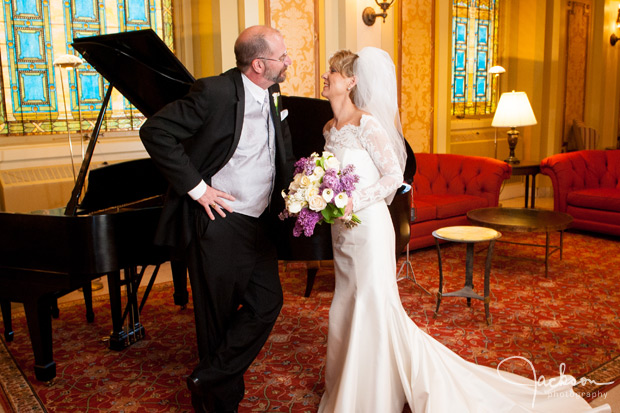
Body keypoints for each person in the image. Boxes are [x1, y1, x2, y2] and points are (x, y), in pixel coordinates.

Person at [317, 47, 611, 413]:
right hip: (343, 232)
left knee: (371, 305)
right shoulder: (330, 128)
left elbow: (393, 177)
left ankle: (371, 393)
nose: (325, 76)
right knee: (346, 302)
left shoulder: (368, 124)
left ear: (351, 80)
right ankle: (348, 381)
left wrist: (351, 201)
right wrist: (318, 196)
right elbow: (332, 177)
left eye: (333, 71)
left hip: (370, 230)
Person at [139, 25, 295, 413]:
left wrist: (291, 196)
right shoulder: (215, 92)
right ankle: (216, 404)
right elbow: (155, 130)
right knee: (216, 320)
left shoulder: (273, 95)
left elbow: (279, 155)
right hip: (220, 223)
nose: (288, 61)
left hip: (259, 223)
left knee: (267, 303)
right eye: (283, 56)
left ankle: (207, 376)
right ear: (259, 64)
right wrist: (198, 189)